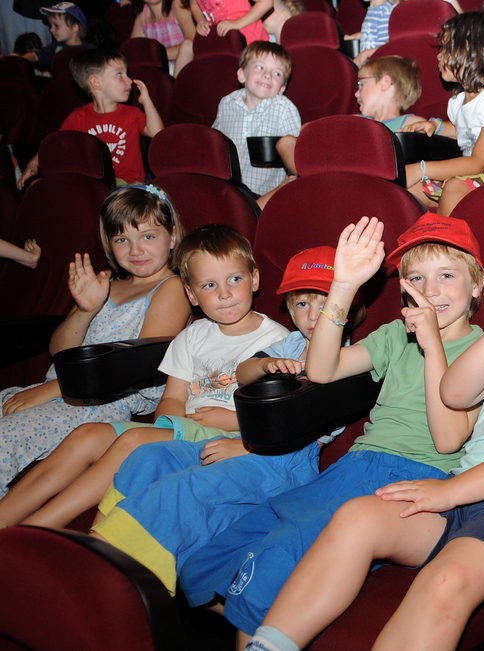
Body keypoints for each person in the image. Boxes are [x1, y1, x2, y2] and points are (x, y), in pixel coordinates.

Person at [239, 228, 484, 651]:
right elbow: (454, 394)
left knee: (446, 577)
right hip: (463, 499)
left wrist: (449, 491)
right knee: (357, 517)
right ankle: (269, 645)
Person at [178, 213, 484, 646]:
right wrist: (341, 288)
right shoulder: (395, 335)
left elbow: (448, 439)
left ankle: (264, 628)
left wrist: (433, 343)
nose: (430, 290)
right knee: (208, 559)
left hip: (410, 475)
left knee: (274, 564)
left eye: (446, 275)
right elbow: (322, 371)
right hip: (354, 466)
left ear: (477, 285)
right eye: (416, 278)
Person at [88, 246, 344, 593]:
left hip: (281, 460)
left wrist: (249, 447)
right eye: (302, 304)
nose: (313, 316)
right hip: (248, 441)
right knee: (149, 457)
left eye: (326, 306)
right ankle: (94, 544)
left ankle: (116, 575)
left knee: (185, 488)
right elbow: (243, 372)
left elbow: (314, 428)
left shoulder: (345, 358)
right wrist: (263, 365)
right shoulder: (289, 344)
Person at [0, 224, 287, 530]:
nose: (225, 293)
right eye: (209, 285)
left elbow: (281, 415)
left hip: (231, 440)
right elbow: (172, 398)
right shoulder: (192, 336)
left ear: (254, 279)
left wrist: (233, 426)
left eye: (234, 279)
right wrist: (176, 424)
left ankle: (32, 531)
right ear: (191, 294)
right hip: (184, 430)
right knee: (86, 435)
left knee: (134, 439)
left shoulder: (278, 341)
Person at [0, 185, 191, 506]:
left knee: (5, 440)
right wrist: (85, 309)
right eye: (121, 240)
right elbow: (59, 350)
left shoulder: (170, 287)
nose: (135, 250)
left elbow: (136, 364)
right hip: (60, 390)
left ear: (172, 237)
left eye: (148, 236)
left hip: (102, 403)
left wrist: (53, 389)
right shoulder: (106, 284)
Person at [399, 12, 484, 215]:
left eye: (446, 48)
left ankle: (438, 237)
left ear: (471, 50)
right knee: (405, 191)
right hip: (470, 179)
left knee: (453, 186)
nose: (439, 55)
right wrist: (436, 126)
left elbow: (478, 163)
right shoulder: (458, 101)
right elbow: (466, 131)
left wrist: (420, 169)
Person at [17, 49, 164, 188]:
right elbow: (55, 145)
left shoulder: (132, 114)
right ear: (96, 82)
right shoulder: (78, 117)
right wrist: (33, 164)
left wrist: (146, 100)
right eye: (120, 74)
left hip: (127, 185)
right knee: (37, 184)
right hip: (92, 183)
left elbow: (157, 133)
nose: (129, 80)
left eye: (127, 74)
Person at [212, 42, 301, 208]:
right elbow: (215, 144)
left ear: (282, 88)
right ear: (241, 75)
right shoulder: (227, 103)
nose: (267, 75)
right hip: (226, 188)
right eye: (260, 67)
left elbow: (294, 157)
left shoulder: (283, 107)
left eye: (277, 73)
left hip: (262, 194)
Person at [179, 0, 272, 49]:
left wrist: (238, 23)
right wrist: (201, 21)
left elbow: (266, 1)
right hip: (227, 43)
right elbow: (194, 3)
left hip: (251, 42)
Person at [128, 0, 195, 66]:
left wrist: (153, 56)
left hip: (184, 68)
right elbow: (131, 52)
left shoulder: (177, 5)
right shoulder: (142, 16)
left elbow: (193, 44)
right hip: (159, 72)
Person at [355, 55, 421, 131]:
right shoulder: (355, 120)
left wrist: (431, 125)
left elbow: (430, 129)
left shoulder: (410, 124)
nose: (356, 94)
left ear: (385, 83)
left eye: (362, 84)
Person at [21, 2, 93, 70]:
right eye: (51, 25)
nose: (51, 29)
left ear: (74, 27)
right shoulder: (54, 48)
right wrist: (18, 59)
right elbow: (34, 56)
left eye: (56, 25)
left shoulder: (90, 50)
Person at [344, 0, 393, 66]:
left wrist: (365, 54)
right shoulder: (373, 10)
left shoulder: (385, 12)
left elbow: (388, 46)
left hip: (380, 67)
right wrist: (353, 37)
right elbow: (370, 33)